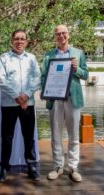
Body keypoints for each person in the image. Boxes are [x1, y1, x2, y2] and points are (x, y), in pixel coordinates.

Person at [41, 24, 89, 182]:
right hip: (55, 98)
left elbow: (86, 75)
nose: (61, 36)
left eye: (63, 33)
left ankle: (73, 167)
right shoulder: (48, 55)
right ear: (54, 37)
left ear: (68, 35)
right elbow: (43, 77)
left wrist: (77, 69)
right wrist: (46, 92)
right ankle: (57, 166)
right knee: (55, 134)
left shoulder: (78, 53)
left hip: (72, 98)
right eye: (57, 34)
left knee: (74, 135)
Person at [0, 29, 41, 182]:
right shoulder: (3, 58)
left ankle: (31, 165)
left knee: (29, 137)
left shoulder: (32, 58)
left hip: (28, 104)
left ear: (26, 41)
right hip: (9, 104)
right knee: (7, 137)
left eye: (22, 39)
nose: (19, 41)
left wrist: (26, 96)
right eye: (17, 39)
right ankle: (4, 167)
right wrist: (17, 97)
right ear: (11, 40)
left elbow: (37, 79)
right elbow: (1, 80)